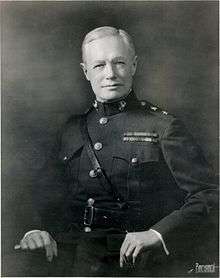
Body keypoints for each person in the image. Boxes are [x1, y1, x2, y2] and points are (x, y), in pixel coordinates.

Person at [14, 26, 218, 276]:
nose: (110, 74)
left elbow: (209, 194)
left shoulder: (163, 127)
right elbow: (43, 193)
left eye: (119, 62)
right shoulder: (71, 130)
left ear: (133, 66)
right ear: (85, 71)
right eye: (99, 65)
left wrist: (157, 234)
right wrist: (35, 229)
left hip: (141, 265)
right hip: (77, 264)